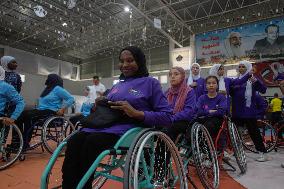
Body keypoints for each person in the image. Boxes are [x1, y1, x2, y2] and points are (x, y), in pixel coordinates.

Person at [61, 46, 173, 189]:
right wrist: (100, 104)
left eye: (130, 60)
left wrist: (136, 113)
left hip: (130, 130)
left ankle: (83, 186)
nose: (124, 65)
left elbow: (167, 117)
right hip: (106, 125)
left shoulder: (151, 83)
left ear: (139, 62)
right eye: (121, 61)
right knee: (74, 141)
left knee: (92, 142)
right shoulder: (118, 85)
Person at [16, 74, 75, 149]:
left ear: (53, 80)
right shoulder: (47, 89)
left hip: (51, 112)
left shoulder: (58, 89)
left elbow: (71, 99)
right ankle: (18, 140)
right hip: (42, 110)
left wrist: (63, 108)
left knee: (28, 115)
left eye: (48, 78)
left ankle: (24, 143)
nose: (46, 80)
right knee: (19, 115)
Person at [230, 60, 269, 162]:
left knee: (254, 133)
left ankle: (263, 153)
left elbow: (264, 90)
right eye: (240, 66)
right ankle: (237, 151)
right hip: (237, 112)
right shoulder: (235, 80)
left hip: (249, 112)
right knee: (236, 134)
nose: (241, 68)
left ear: (248, 68)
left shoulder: (253, 79)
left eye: (243, 66)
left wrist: (256, 81)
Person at [164, 66, 196, 140]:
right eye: (170, 74)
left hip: (184, 121)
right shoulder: (167, 92)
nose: (172, 76)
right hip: (169, 119)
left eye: (176, 74)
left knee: (169, 128)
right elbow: (162, 108)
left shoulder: (189, 91)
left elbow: (188, 112)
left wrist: (172, 118)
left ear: (182, 77)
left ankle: (168, 151)